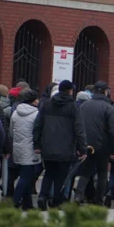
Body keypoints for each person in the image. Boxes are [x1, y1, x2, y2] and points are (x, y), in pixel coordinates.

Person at [34, 80, 87, 209]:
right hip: (66, 148)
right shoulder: (73, 107)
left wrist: (37, 144)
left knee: (49, 173)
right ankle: (57, 201)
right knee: (61, 176)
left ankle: (43, 196)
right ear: (70, 91)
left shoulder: (46, 105)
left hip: (47, 146)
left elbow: (38, 125)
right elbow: (79, 129)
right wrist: (83, 148)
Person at [74, 81, 114, 206]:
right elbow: (113, 130)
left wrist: (79, 145)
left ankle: (78, 195)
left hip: (87, 144)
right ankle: (98, 199)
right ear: (105, 91)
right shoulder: (108, 107)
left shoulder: (84, 105)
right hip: (103, 145)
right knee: (102, 172)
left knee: (86, 171)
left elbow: (78, 126)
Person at [10, 89, 41, 211]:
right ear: (33, 101)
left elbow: (11, 132)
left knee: (25, 175)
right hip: (31, 149)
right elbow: (38, 132)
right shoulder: (36, 114)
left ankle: (27, 204)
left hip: (18, 148)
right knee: (26, 177)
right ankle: (15, 201)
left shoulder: (15, 113)